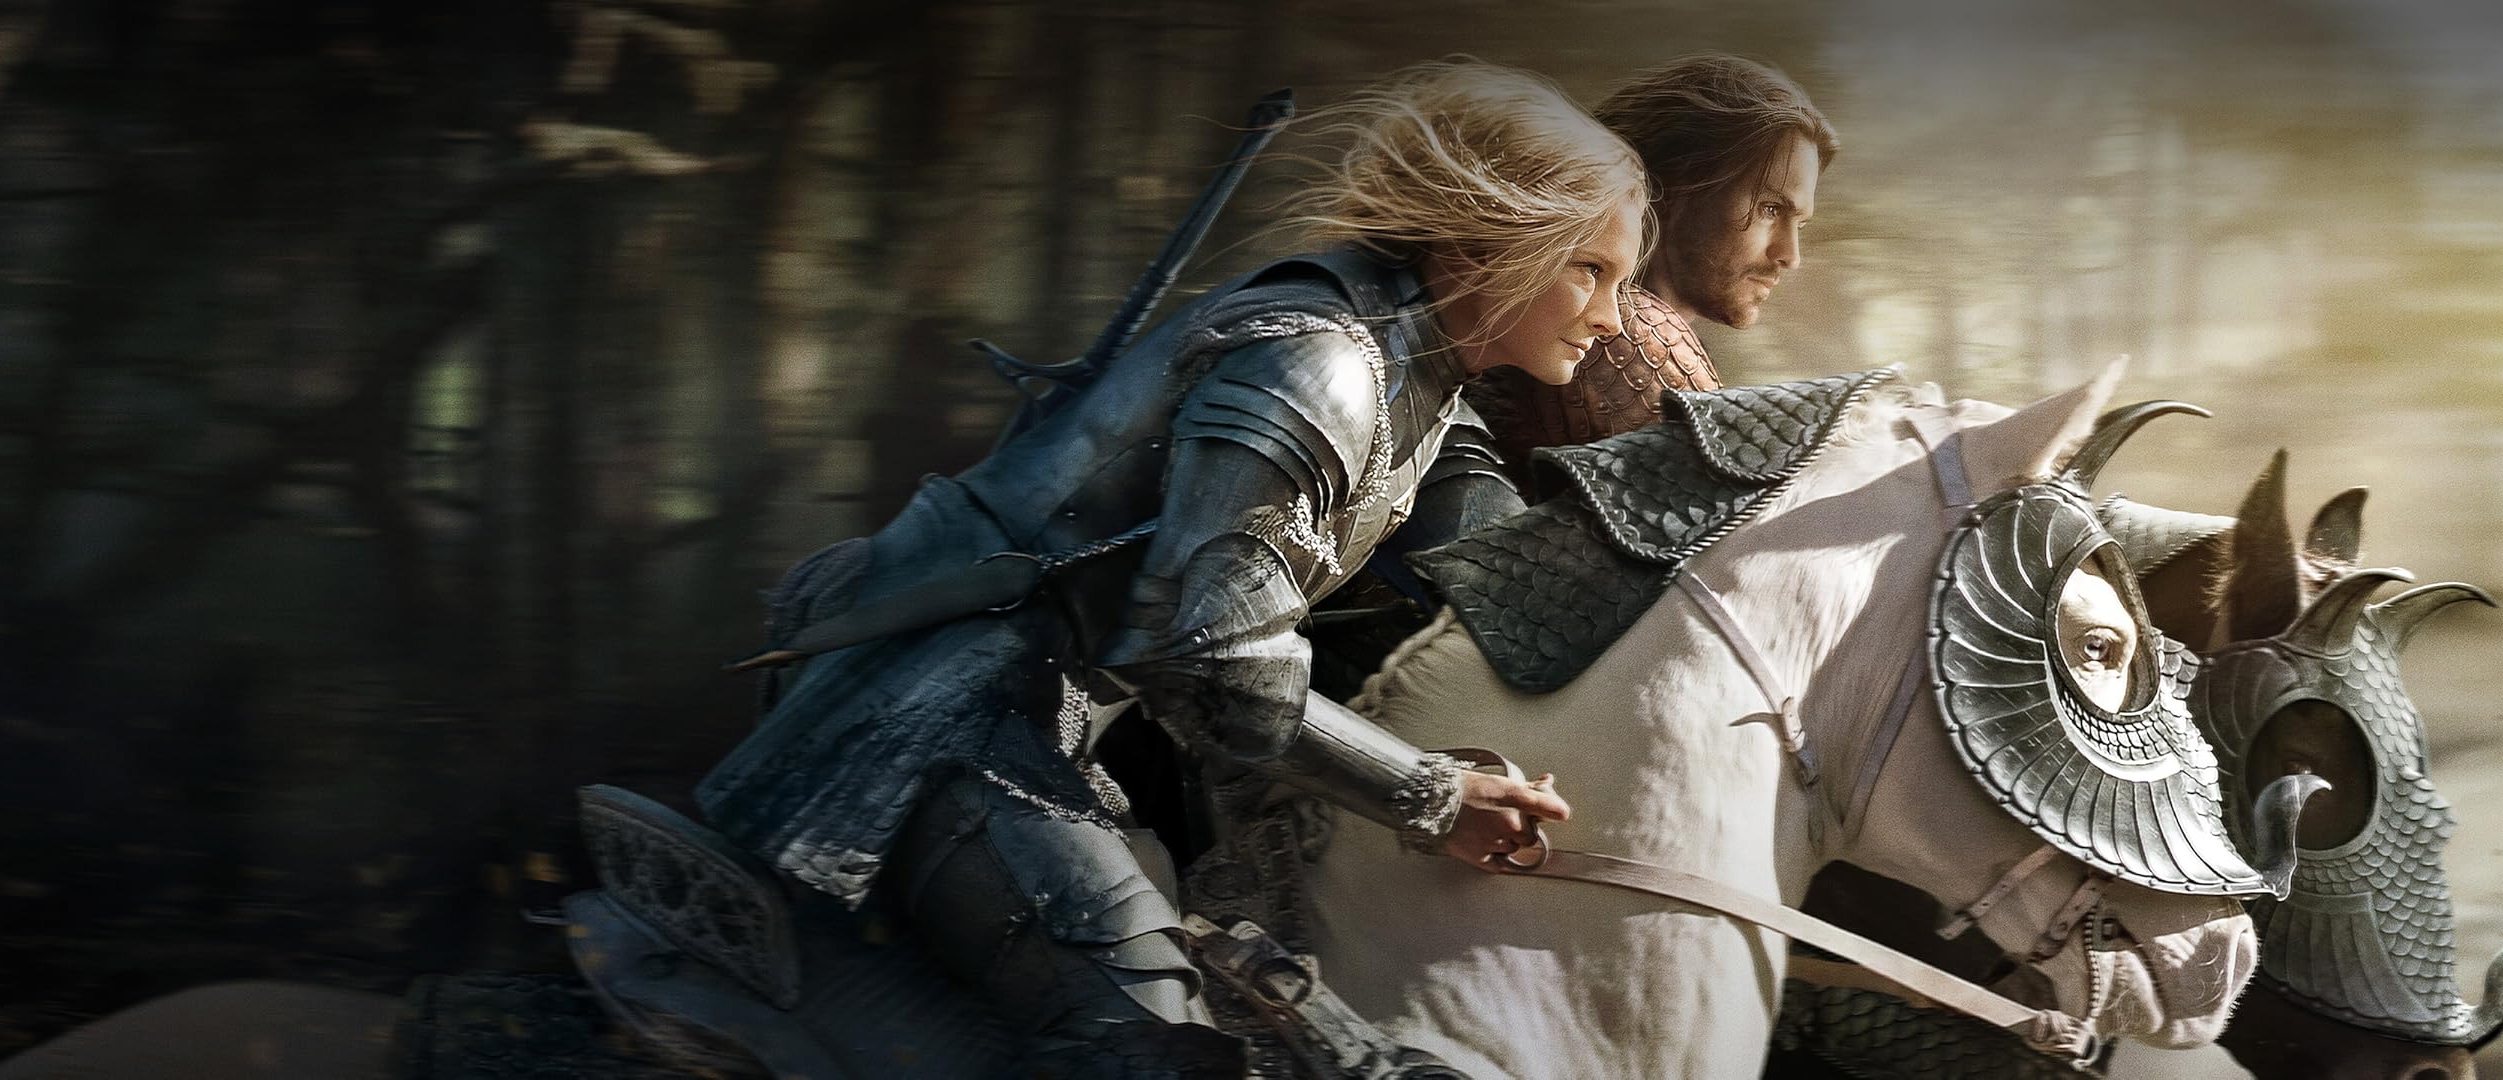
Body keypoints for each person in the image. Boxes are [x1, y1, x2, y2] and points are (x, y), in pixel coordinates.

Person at [691, 60, 1640, 1077]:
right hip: (938, 712)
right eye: (1590, 271)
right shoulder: (1319, 365)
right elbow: (1218, 665)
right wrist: (1433, 798)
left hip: (1055, 725)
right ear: (1474, 250)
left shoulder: (1425, 381)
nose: (1613, 318)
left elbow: (1506, 567)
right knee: (1154, 1044)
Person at [1474, 53, 1839, 500]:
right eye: (1769, 209)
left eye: (1799, 224)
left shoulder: (1600, 322)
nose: (1790, 256)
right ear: (1676, 187)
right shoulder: (1628, 330)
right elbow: (1740, 528)